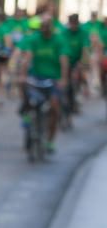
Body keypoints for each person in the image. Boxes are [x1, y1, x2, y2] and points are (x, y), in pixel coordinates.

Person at [17, 14, 69, 153]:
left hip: (53, 79)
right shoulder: (34, 39)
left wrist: (63, 79)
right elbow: (27, 58)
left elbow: (64, 61)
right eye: (42, 26)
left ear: (51, 26)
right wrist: (22, 75)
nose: (44, 29)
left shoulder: (59, 40)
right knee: (24, 87)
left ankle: (50, 141)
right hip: (36, 77)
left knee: (54, 108)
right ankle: (26, 111)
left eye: (47, 26)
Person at [61, 13, 90, 112]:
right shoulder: (64, 32)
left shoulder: (83, 32)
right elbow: (61, 47)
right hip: (66, 59)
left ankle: (80, 92)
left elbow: (85, 48)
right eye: (71, 23)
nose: (73, 26)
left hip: (77, 60)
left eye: (75, 23)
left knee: (80, 76)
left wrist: (83, 62)